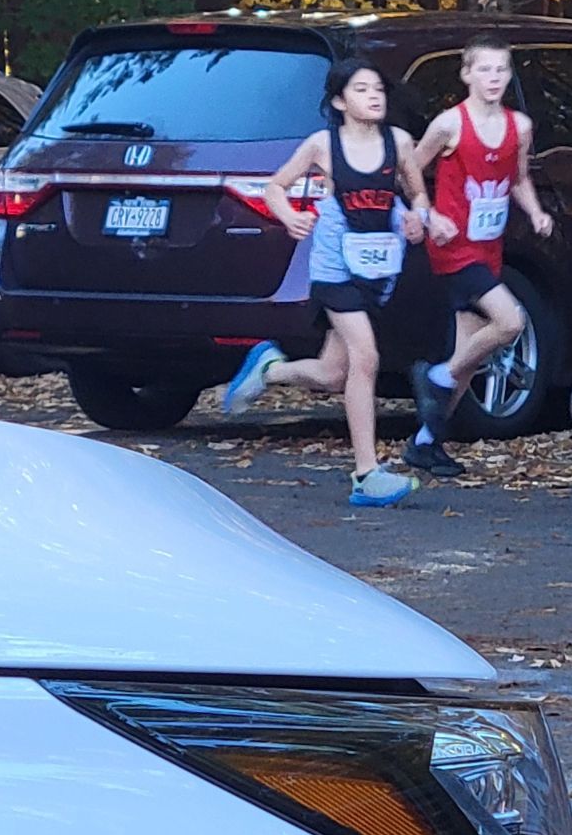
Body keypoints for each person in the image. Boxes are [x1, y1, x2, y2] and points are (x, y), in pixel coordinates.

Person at [220, 58, 434, 506]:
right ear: (339, 101)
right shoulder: (323, 145)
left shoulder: (398, 142)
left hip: (377, 266)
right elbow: (275, 187)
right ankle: (367, 475)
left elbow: (416, 192)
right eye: (361, 90)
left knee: (334, 373)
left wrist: (419, 218)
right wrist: (290, 217)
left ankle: (269, 369)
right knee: (366, 357)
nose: (373, 96)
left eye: (378, 89)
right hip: (334, 266)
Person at [404, 37, 554, 478]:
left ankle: (425, 443)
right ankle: (435, 377)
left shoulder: (519, 126)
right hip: (453, 246)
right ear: (466, 74)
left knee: (469, 357)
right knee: (511, 322)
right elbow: (410, 169)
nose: (494, 78)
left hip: (489, 245)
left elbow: (518, 178)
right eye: (484, 69)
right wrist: (428, 215)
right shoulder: (449, 124)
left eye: (501, 70)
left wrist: (536, 212)